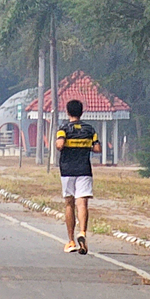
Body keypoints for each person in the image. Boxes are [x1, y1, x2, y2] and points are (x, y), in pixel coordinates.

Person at [54, 99, 99, 254]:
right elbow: (97, 148)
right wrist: (84, 146)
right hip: (84, 169)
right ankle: (83, 232)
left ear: (67, 112)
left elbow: (60, 145)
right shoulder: (89, 129)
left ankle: (71, 241)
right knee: (82, 203)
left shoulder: (64, 128)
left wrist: (64, 144)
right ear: (82, 112)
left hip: (67, 170)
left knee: (69, 203)